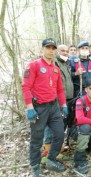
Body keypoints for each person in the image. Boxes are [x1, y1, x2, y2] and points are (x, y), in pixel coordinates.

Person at [22, 38, 68, 176]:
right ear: (42, 49)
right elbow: (25, 87)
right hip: (38, 108)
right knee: (37, 139)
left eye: (53, 48)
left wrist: (64, 105)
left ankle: (51, 159)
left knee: (60, 134)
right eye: (48, 47)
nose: (51, 50)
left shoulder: (56, 69)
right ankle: (35, 166)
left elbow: (60, 90)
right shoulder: (34, 65)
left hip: (54, 107)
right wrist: (30, 107)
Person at [43, 44, 74, 155]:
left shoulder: (65, 64)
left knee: (61, 125)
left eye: (66, 51)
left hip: (67, 99)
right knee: (51, 125)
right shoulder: (53, 63)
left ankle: (58, 147)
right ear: (57, 52)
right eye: (62, 51)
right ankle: (48, 150)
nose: (65, 53)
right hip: (56, 100)